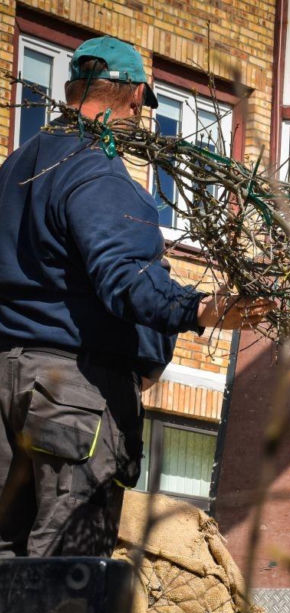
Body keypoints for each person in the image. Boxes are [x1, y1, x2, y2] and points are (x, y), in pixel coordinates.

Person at [0, 36, 270, 558]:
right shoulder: (94, 169)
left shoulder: (14, 171)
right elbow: (123, 277)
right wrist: (201, 309)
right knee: (66, 582)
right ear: (133, 96)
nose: (138, 124)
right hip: (70, 393)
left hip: (6, 383)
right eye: (141, 110)